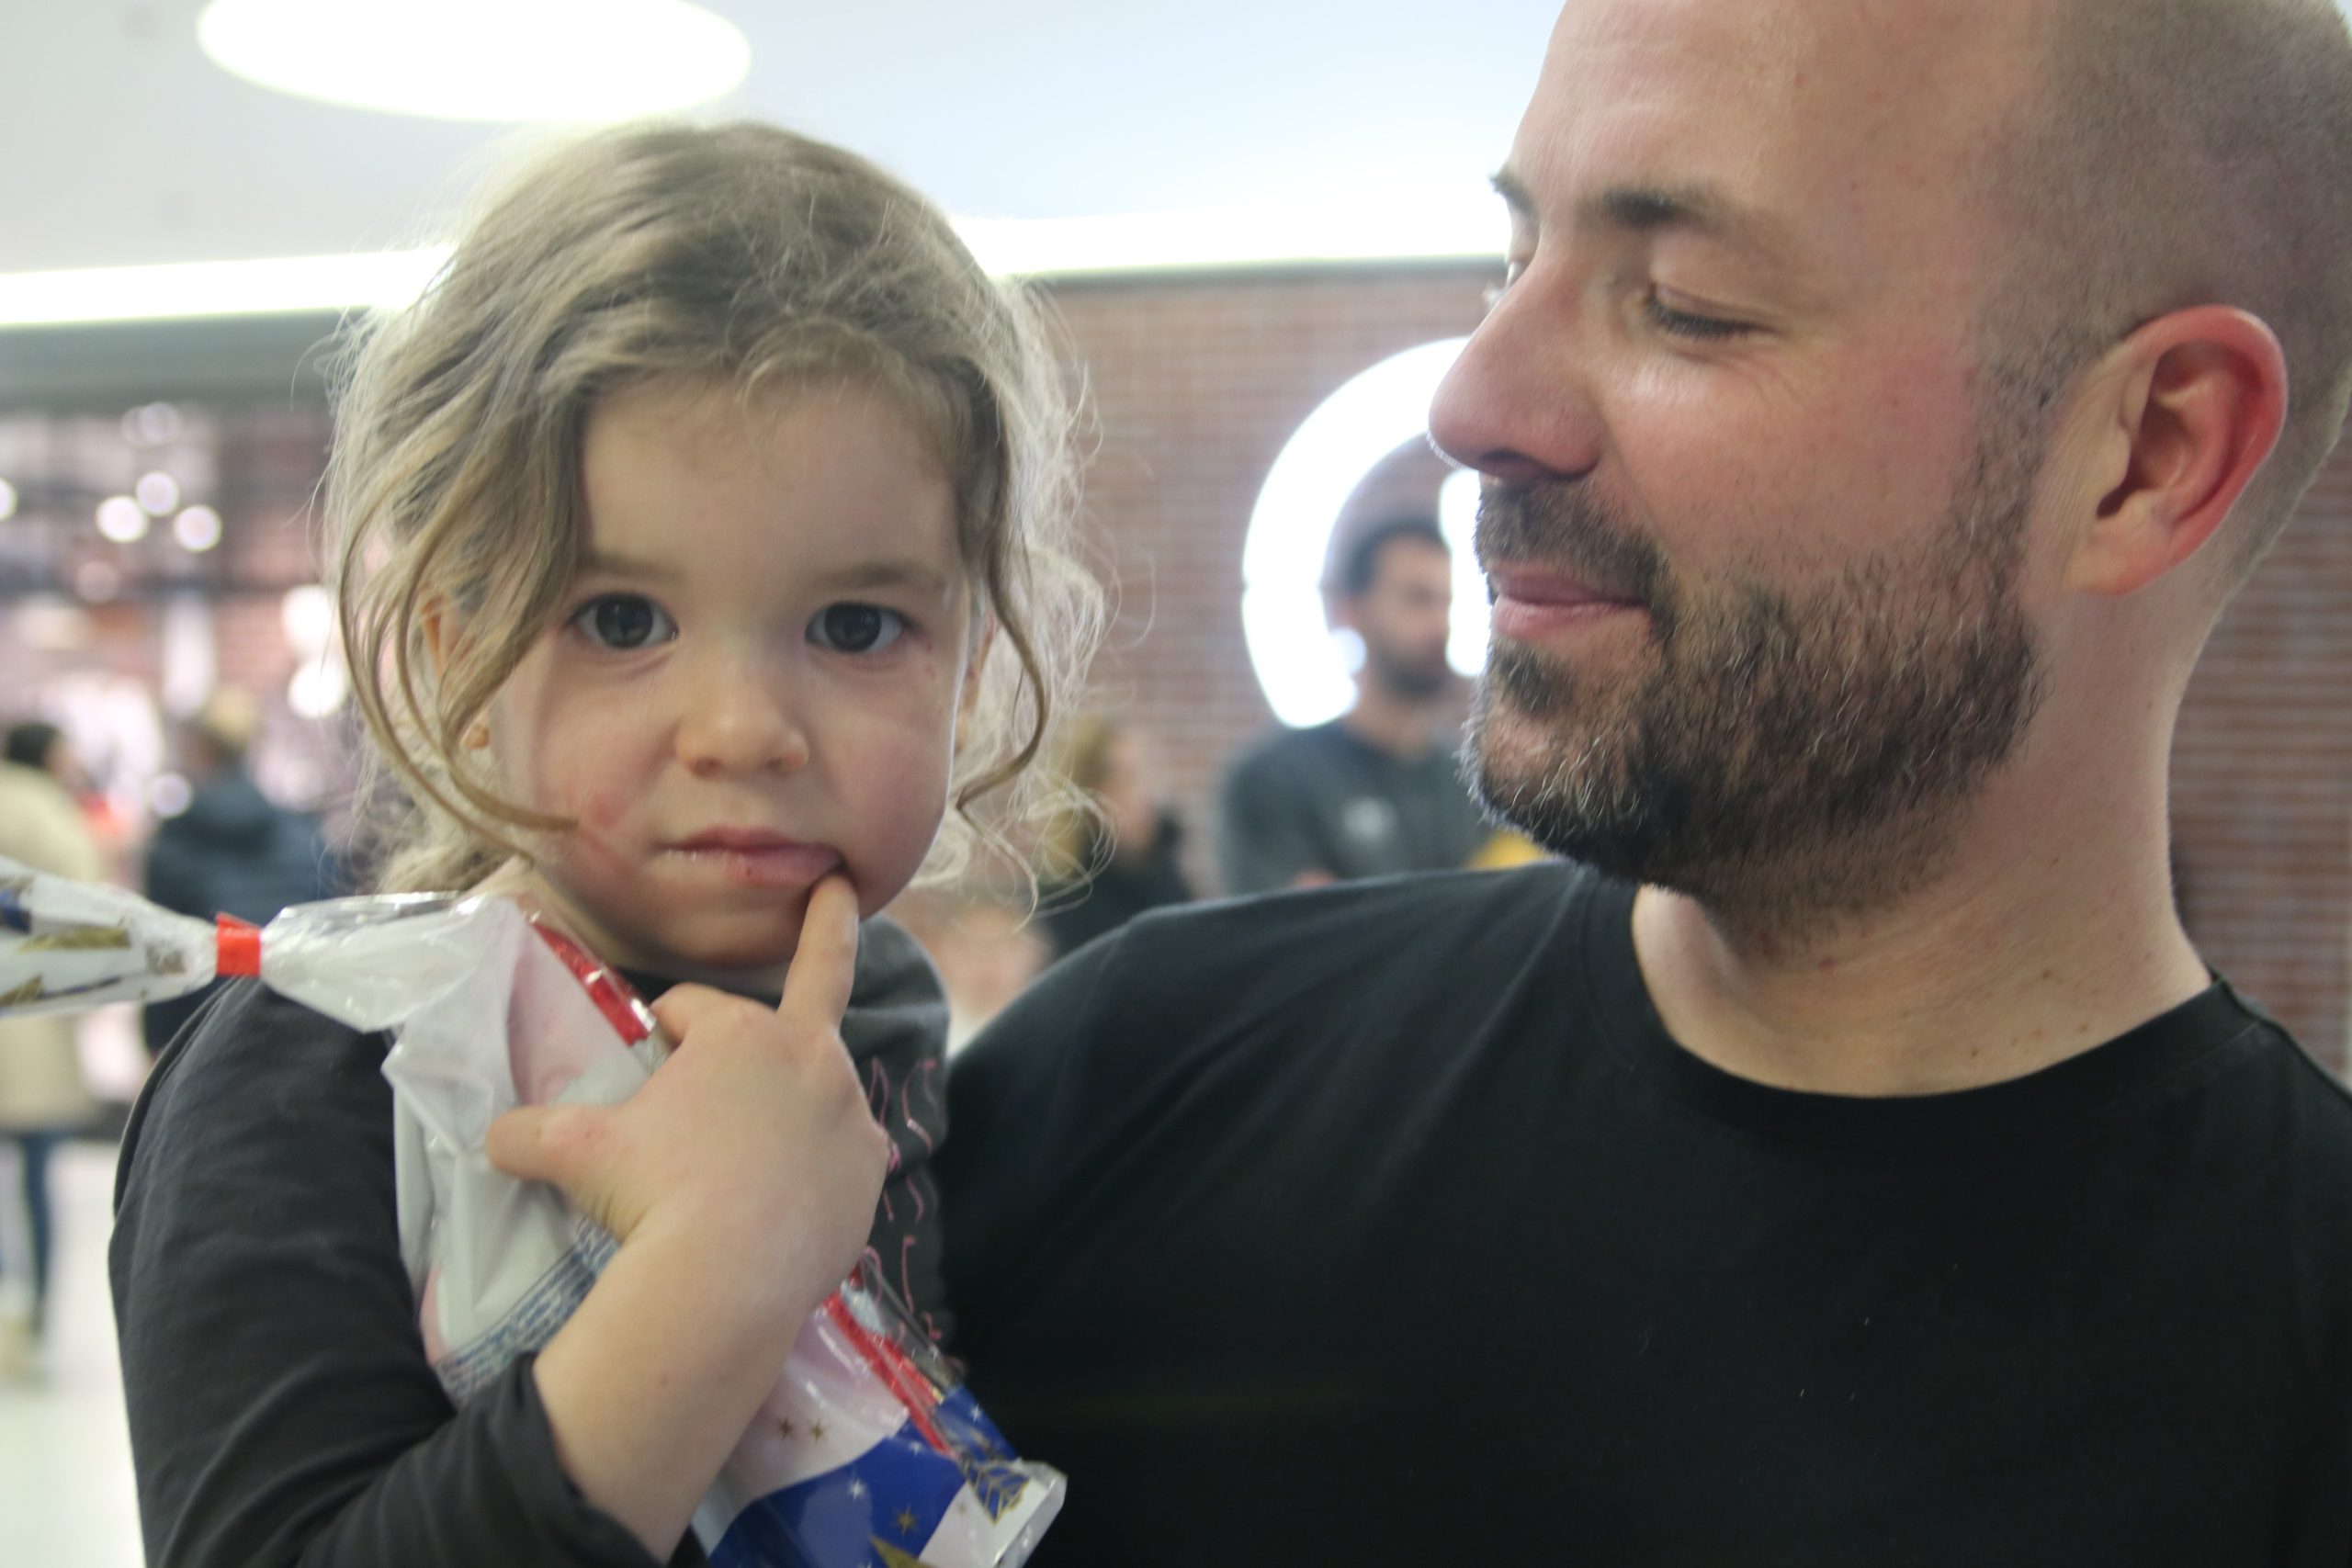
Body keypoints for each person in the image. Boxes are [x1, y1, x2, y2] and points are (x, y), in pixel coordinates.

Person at [937, 1, 2352, 1563]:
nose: (1472, 407)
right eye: (1514, 258)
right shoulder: (1139, 1085)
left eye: (1686, 306)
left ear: (2149, 454)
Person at [107, 121, 1093, 1568]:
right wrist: (720, 1262)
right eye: (621, 619)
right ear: (458, 652)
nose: (744, 729)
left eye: (857, 624)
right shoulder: (320, 1069)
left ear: (969, 661)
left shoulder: (878, 1008)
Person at [1215, 515, 1489, 892]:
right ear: (1351, 612)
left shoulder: (1471, 788)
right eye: (1417, 599)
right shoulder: (1276, 780)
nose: (1439, 625)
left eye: (1446, 603)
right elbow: (1305, 923)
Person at [140, 687, 338, 1055]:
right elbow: (329, 940)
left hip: (201, 1035)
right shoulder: (303, 837)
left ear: (201, 750)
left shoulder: (175, 843)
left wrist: (155, 1046)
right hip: (295, 1024)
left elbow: (162, 956)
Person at [0, 722, 106, 1375]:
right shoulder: (51, 814)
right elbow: (90, 910)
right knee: (37, 1177)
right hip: (32, 1007)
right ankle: (36, 1311)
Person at [1035, 714, 1194, 958]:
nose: (1142, 792)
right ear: (1086, 792)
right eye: (1124, 778)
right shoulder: (1063, 895)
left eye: (1146, 773)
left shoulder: (1169, 875)